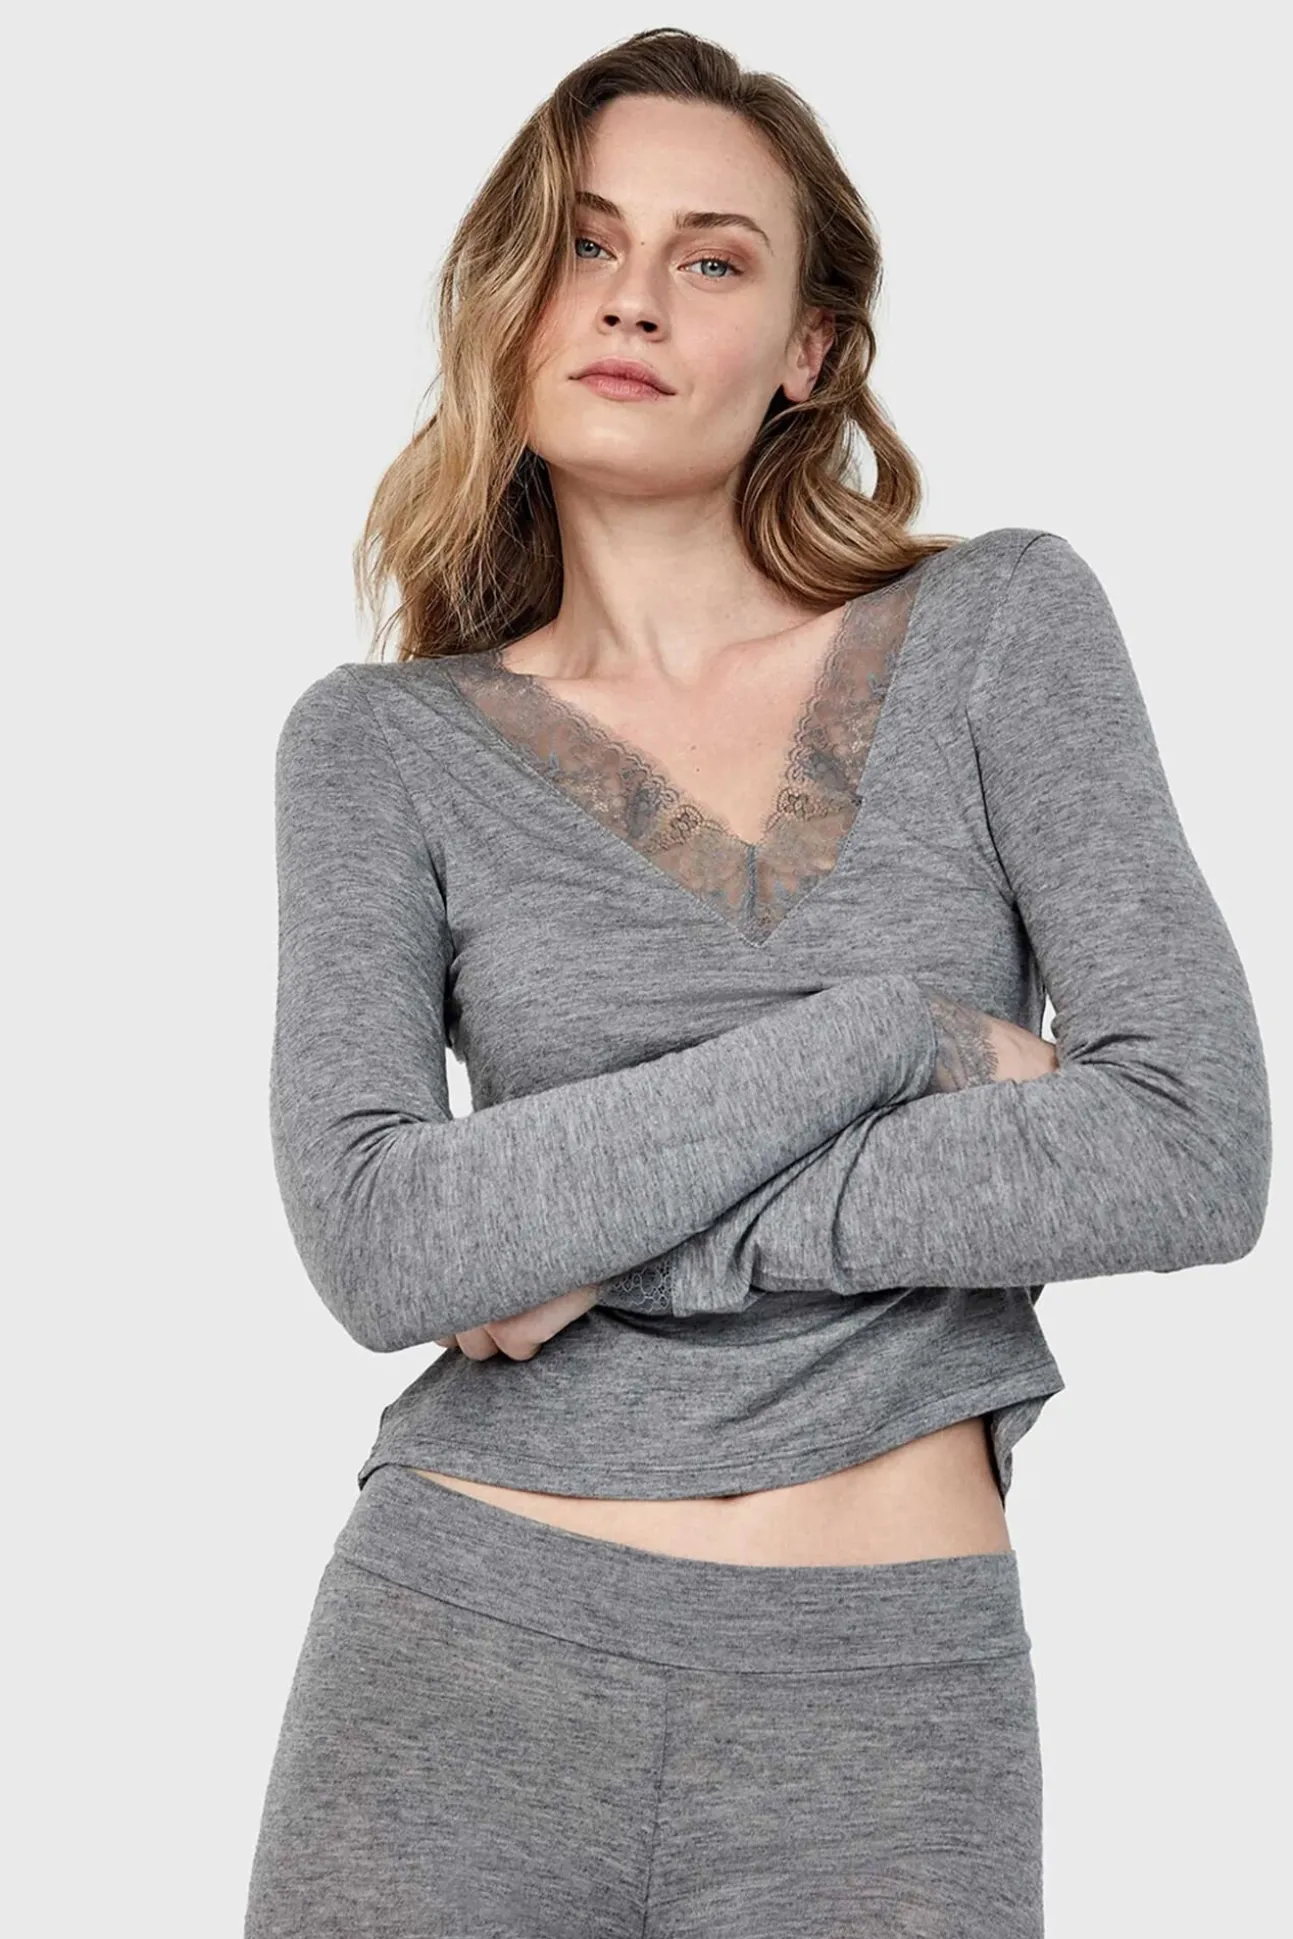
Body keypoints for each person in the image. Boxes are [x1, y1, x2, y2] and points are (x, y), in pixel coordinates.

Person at [243, 27, 1271, 1938]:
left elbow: (1191, 1152)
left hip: (888, 1696)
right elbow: (384, 1244)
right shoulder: (380, 746)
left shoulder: (997, 629)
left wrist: (573, 1223)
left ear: (809, 346)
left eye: (709, 257)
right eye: (584, 242)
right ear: (510, 298)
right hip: (458, 1648)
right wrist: (899, 1037)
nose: (632, 296)